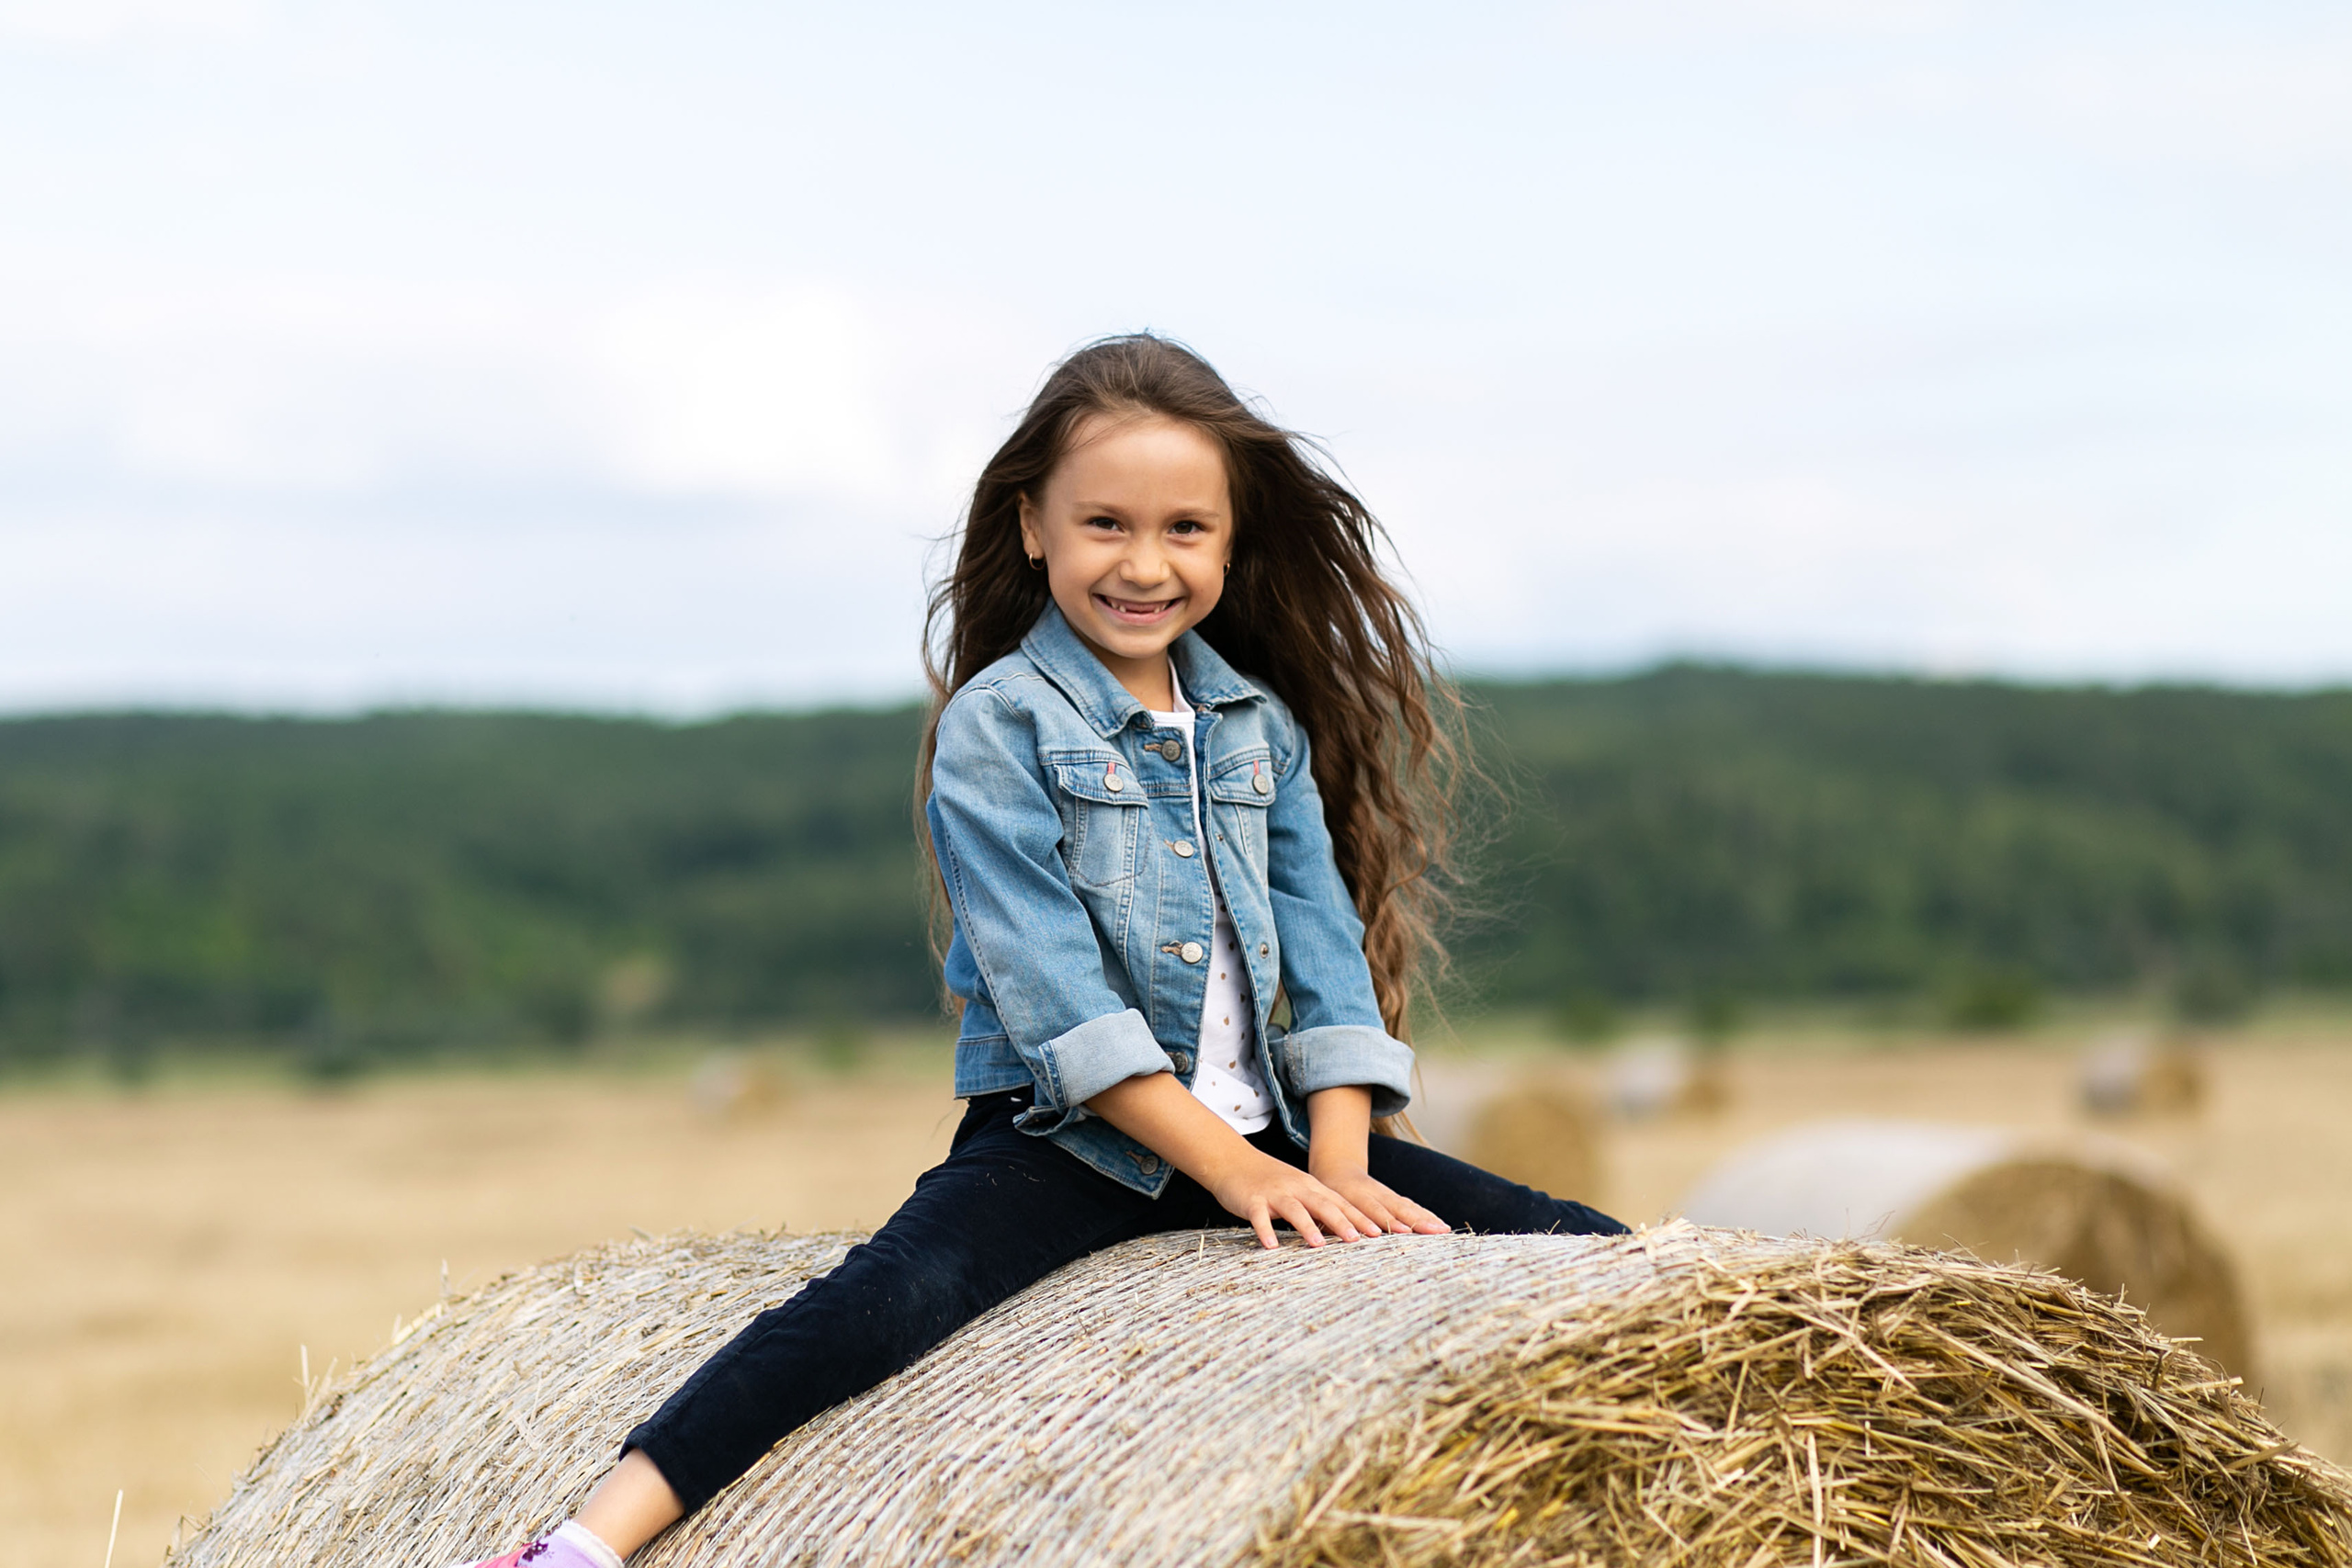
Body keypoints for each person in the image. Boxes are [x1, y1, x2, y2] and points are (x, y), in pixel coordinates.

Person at [456, 334, 1624, 1568]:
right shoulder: (998, 728)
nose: (1145, 563)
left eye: (1185, 529)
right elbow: (1061, 1005)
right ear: (1033, 527)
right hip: (1066, 1148)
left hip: (1271, 1137)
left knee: (1580, 1246)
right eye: (1105, 523)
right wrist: (1237, 1176)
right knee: (876, 1308)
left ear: (1230, 543)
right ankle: (583, 1542)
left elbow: (1330, 959)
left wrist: (1336, 1164)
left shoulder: (1257, 729)